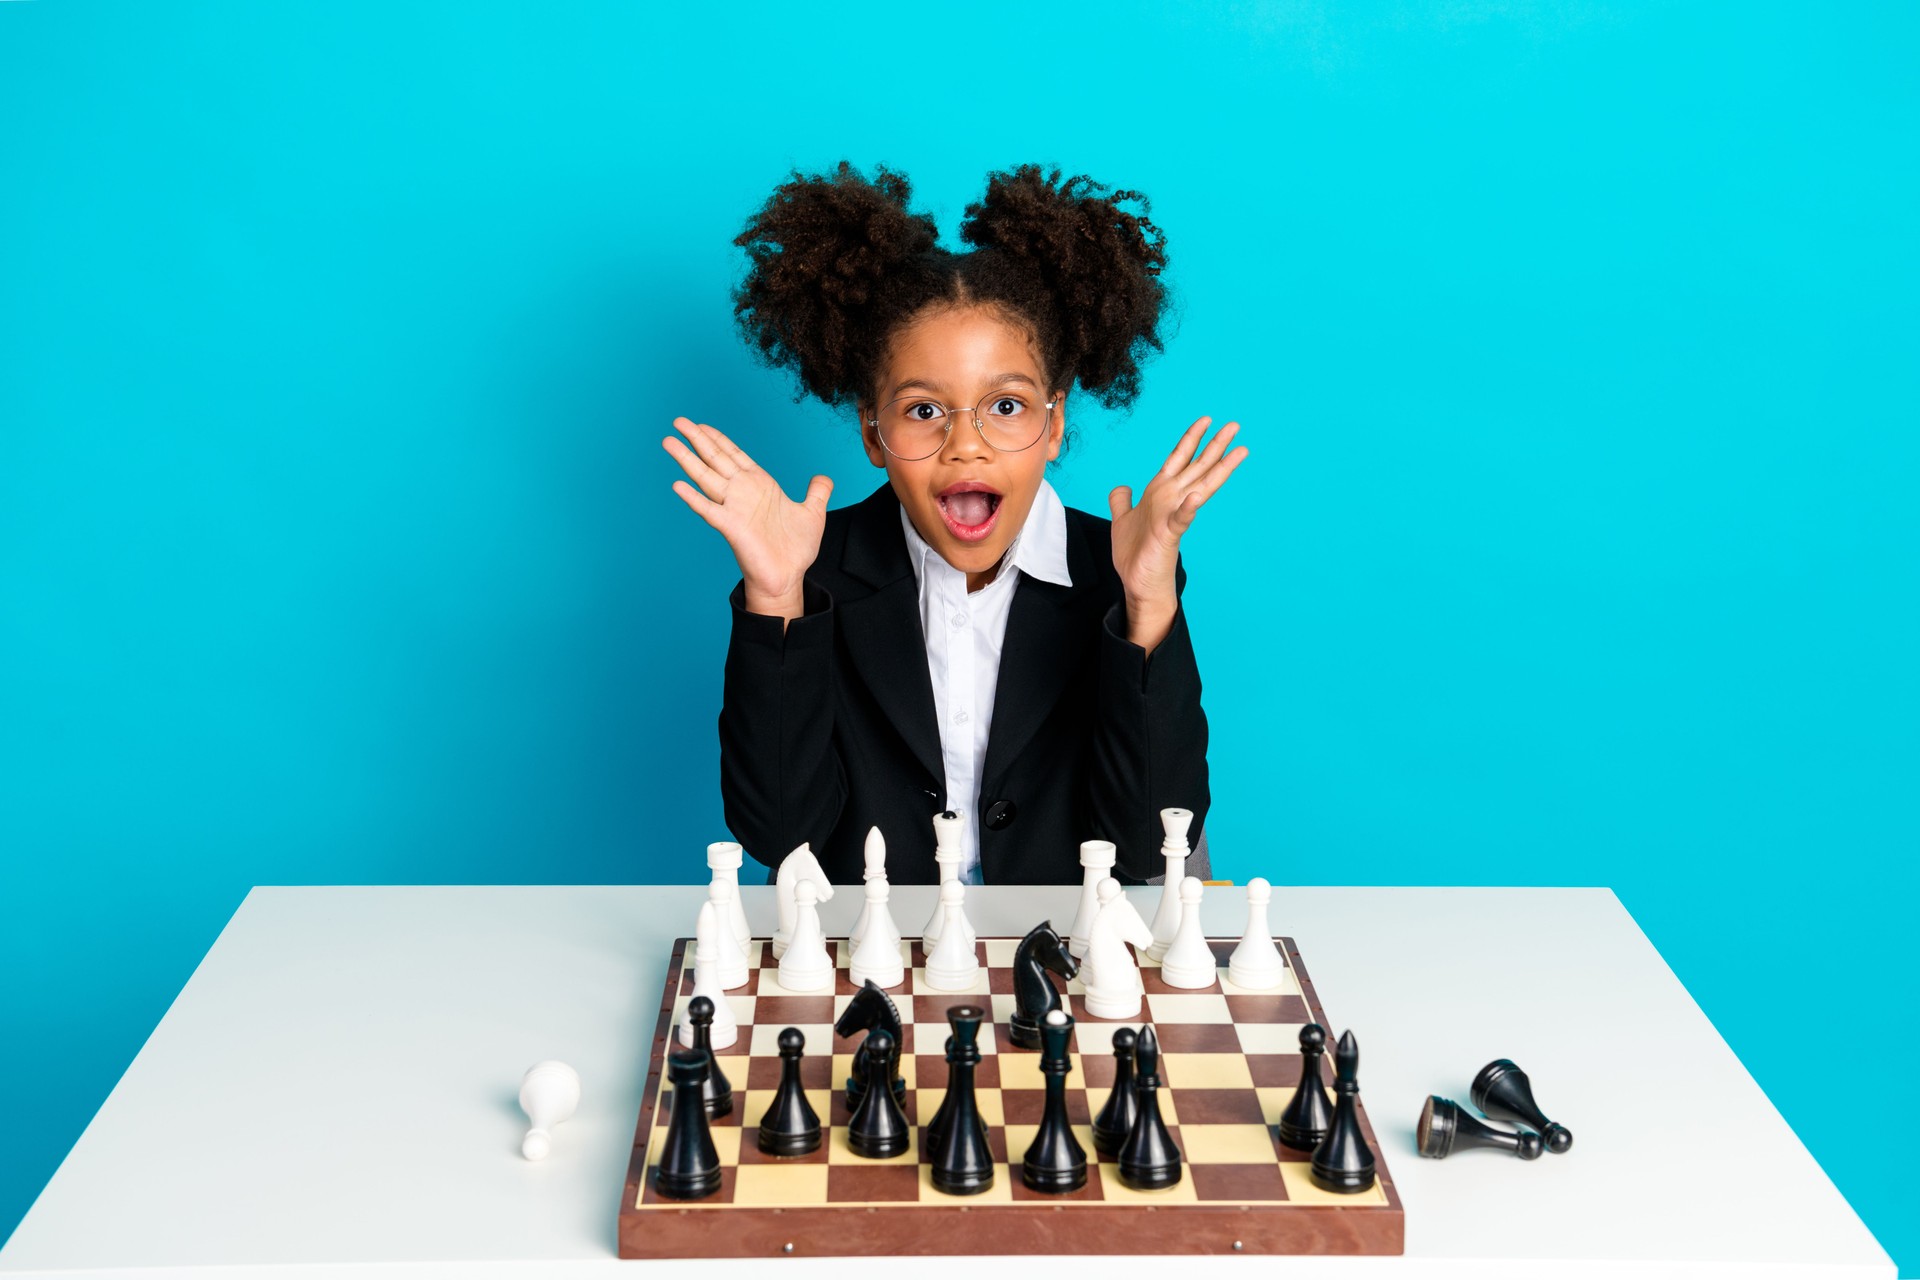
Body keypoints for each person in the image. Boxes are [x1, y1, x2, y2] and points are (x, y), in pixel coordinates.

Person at [662, 161, 1246, 885]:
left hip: (1063, 956)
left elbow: (1155, 841)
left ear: (1055, 421)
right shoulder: (814, 570)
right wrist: (778, 599)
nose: (966, 444)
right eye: (923, 410)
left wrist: (1148, 603)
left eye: (1005, 406)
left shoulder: (1119, 573)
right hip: (881, 960)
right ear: (873, 435)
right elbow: (780, 835)